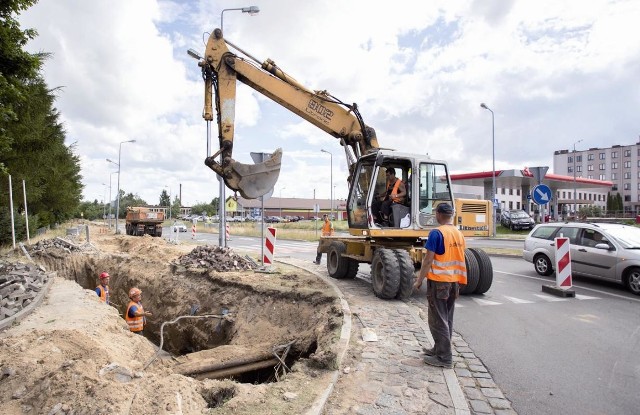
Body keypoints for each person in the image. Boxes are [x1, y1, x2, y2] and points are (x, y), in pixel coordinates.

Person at [413, 203, 467, 369]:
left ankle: (444, 357)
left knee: (438, 319)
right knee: (447, 318)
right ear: (451, 215)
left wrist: (419, 280)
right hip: (454, 282)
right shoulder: (458, 233)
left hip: (439, 282)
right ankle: (439, 349)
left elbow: (428, 259)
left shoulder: (437, 233)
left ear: (438, 214)